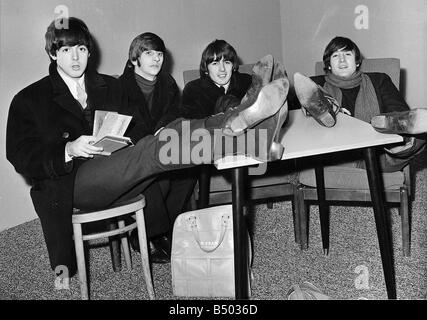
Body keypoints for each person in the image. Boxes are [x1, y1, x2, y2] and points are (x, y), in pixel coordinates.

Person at [5, 17, 290, 278]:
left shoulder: (108, 86)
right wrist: (69, 149)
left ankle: (244, 119)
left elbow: (135, 126)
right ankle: (250, 138)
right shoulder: (29, 98)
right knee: (152, 151)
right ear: (53, 53)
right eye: (66, 50)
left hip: (118, 167)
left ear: (89, 52)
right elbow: (20, 155)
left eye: (81, 48)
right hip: (74, 182)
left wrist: (127, 137)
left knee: (173, 128)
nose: (76, 57)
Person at [294, 36, 426, 172]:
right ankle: (331, 110)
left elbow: (398, 108)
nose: (342, 60)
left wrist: (392, 134)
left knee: (419, 135)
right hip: (336, 154)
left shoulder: (379, 80)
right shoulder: (314, 84)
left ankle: (386, 126)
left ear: (357, 62)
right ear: (329, 64)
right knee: (312, 108)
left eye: (347, 54)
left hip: (379, 154)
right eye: (335, 56)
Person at [119, 32, 196, 263]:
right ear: (135, 59)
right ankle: (159, 234)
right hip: (135, 150)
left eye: (159, 54)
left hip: (163, 144)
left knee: (188, 171)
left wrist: (164, 129)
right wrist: (151, 139)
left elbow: (176, 111)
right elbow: (123, 123)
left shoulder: (167, 82)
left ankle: (156, 230)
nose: (156, 59)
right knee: (156, 178)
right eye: (148, 53)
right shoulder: (119, 86)